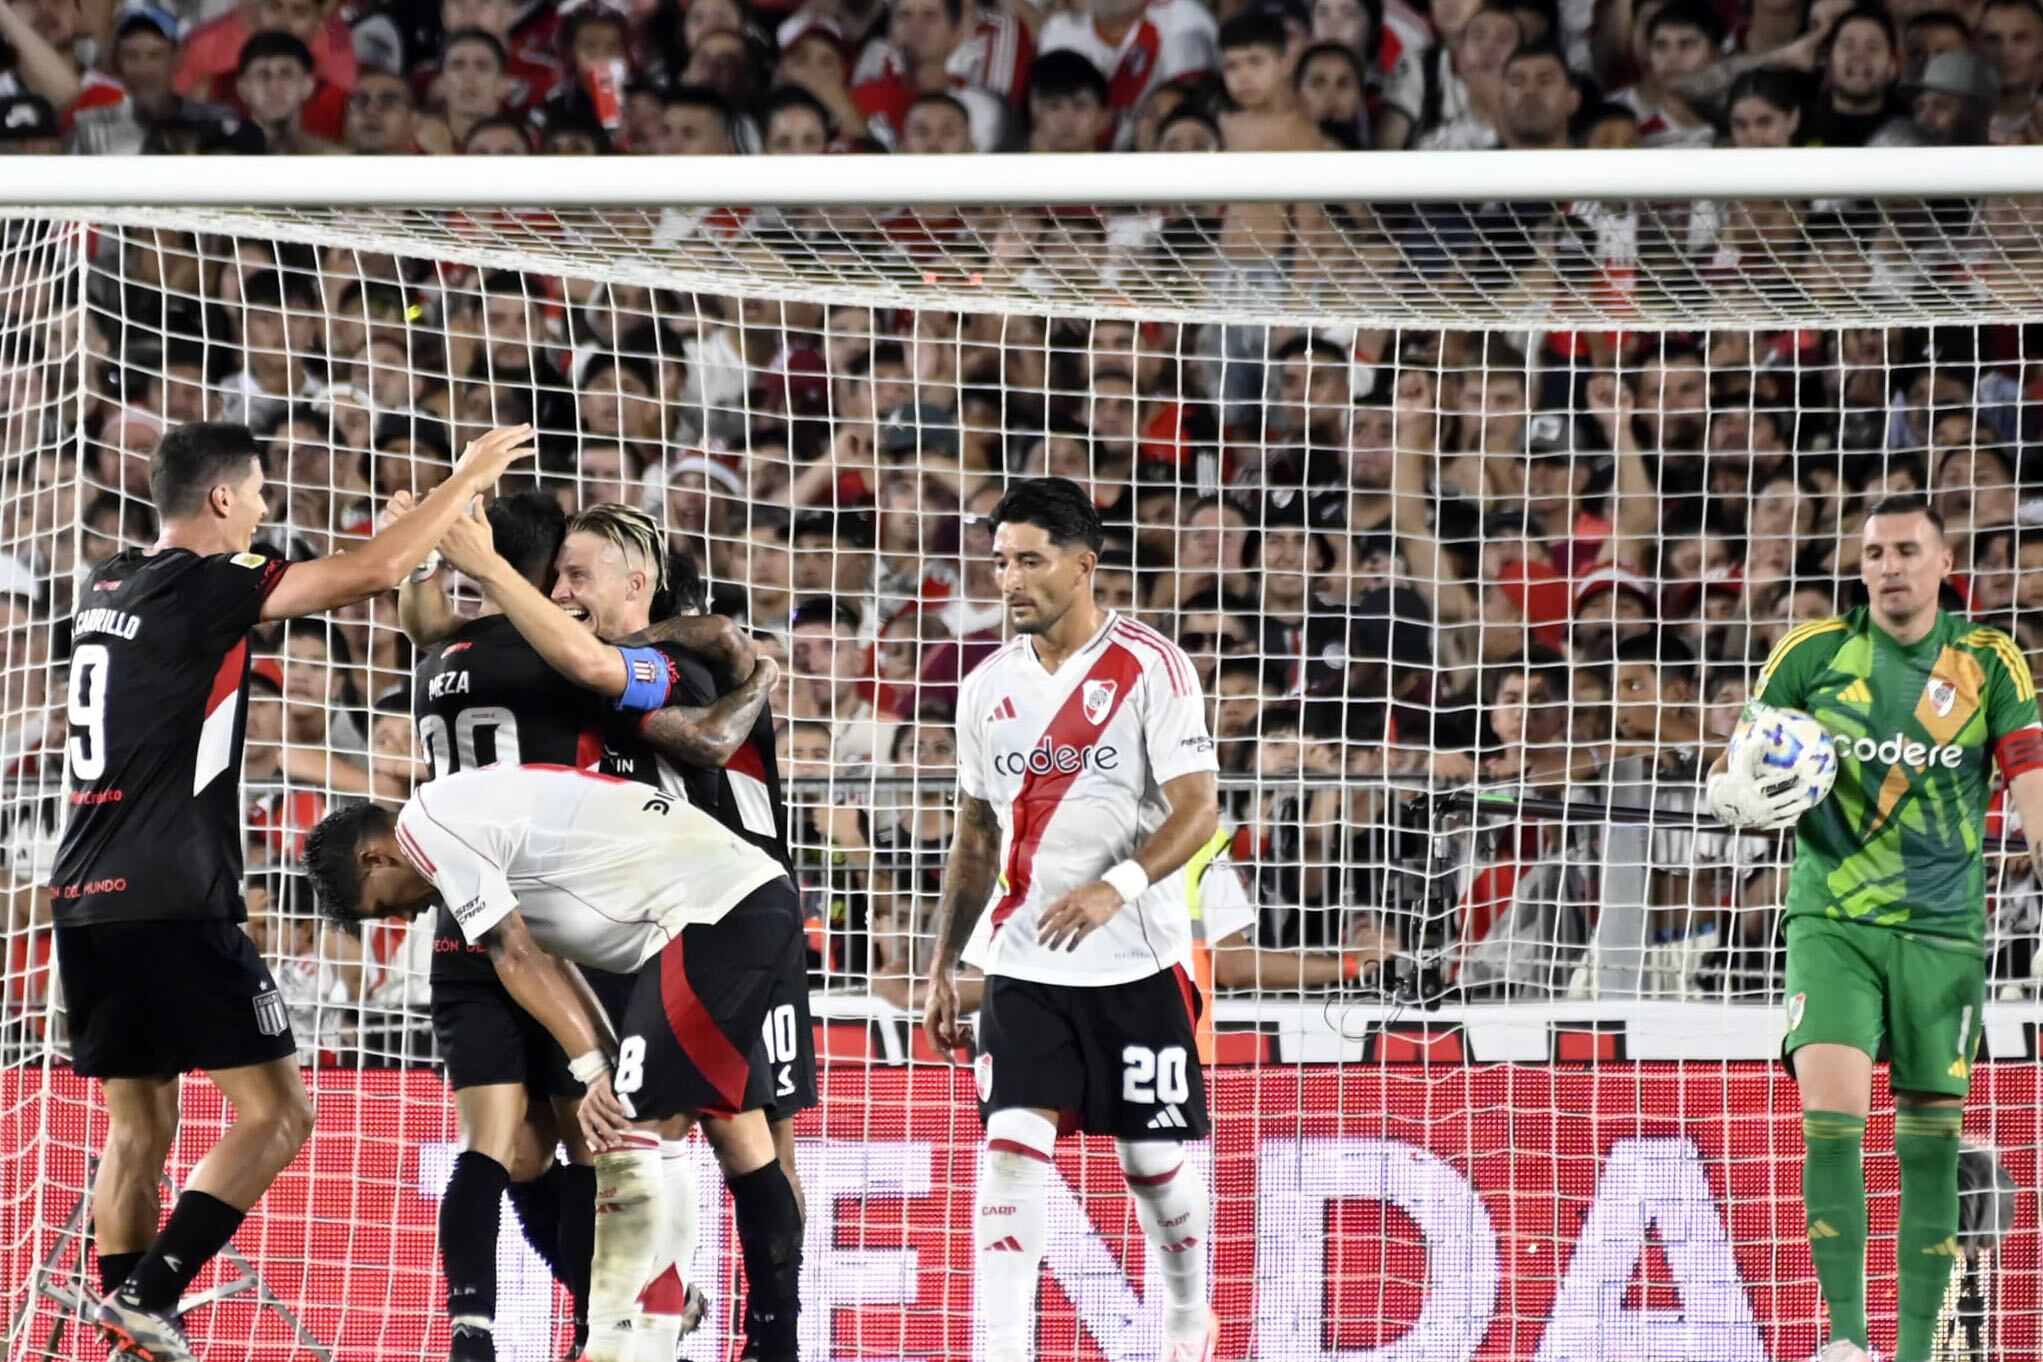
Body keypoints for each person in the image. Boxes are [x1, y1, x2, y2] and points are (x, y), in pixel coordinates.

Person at [54, 420, 534, 1361]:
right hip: (173, 894)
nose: (269, 511)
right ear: (222, 500)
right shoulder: (205, 583)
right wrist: (464, 481)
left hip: (86, 897)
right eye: (263, 493)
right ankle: (146, 1299)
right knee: (281, 1113)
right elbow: (368, 572)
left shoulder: (108, 580)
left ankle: (129, 1337)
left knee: (138, 1129)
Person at [435, 502, 815, 1362]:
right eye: (556, 576)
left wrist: (752, 673)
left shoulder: (662, 665)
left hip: (722, 913)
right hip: (630, 924)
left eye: (578, 577)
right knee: (618, 1137)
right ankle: (624, 1323)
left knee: (740, 1126)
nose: (561, 592)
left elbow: (705, 738)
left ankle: (763, 1338)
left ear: (635, 584)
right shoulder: (599, 663)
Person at [303, 764, 805, 1362]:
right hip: (726, 908)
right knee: (707, 1131)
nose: (407, 919)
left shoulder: (426, 828)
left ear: (374, 859)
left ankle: (628, 1342)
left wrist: (594, 1070)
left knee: (631, 1130)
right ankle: (746, 1342)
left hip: (710, 916)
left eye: (385, 907)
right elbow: (551, 960)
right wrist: (601, 1059)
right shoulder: (480, 826)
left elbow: (512, 956)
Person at [1706, 493, 2043, 1362]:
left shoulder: (1990, 662)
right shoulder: (1813, 653)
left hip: (1942, 932)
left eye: (1904, 550)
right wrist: (1739, 791)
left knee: (1928, 1136)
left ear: (1941, 564)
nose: (1887, 566)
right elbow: (1738, 763)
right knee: (1833, 1111)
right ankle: (1846, 1342)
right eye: (1871, 554)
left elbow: (2030, 785)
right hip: (1834, 918)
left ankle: (1913, 1354)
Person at [923, 476, 1222, 1362]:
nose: (1009, 580)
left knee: (1149, 1165)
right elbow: (976, 835)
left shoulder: (1152, 666)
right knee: (1010, 1150)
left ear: (1083, 565)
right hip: (1024, 961)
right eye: (999, 563)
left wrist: (1116, 886)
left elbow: (1198, 808)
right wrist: (945, 962)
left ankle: (1185, 1314)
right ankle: (1000, 1347)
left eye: (1029, 561)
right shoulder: (984, 688)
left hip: (1135, 956)